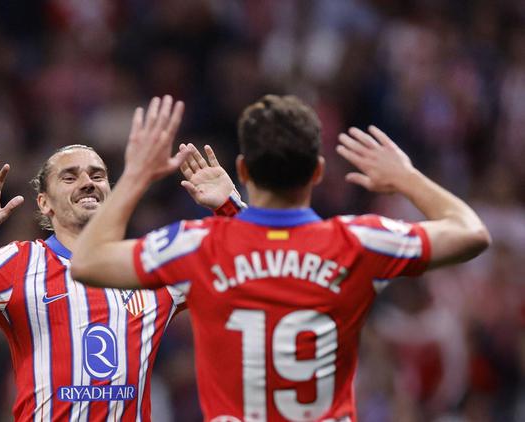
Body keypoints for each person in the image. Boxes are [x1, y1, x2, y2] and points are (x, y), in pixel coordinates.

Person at [69, 94, 491, 421]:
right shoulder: (360, 243)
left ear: (243, 170)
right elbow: (471, 233)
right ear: (318, 172)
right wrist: (406, 177)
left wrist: (137, 174)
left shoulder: (196, 244)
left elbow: (87, 262)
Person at [0, 95, 240, 421]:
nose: (87, 183)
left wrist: (230, 206)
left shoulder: (150, 264)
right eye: (69, 177)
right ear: (44, 203)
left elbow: (254, 272)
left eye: (97, 176)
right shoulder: (19, 262)